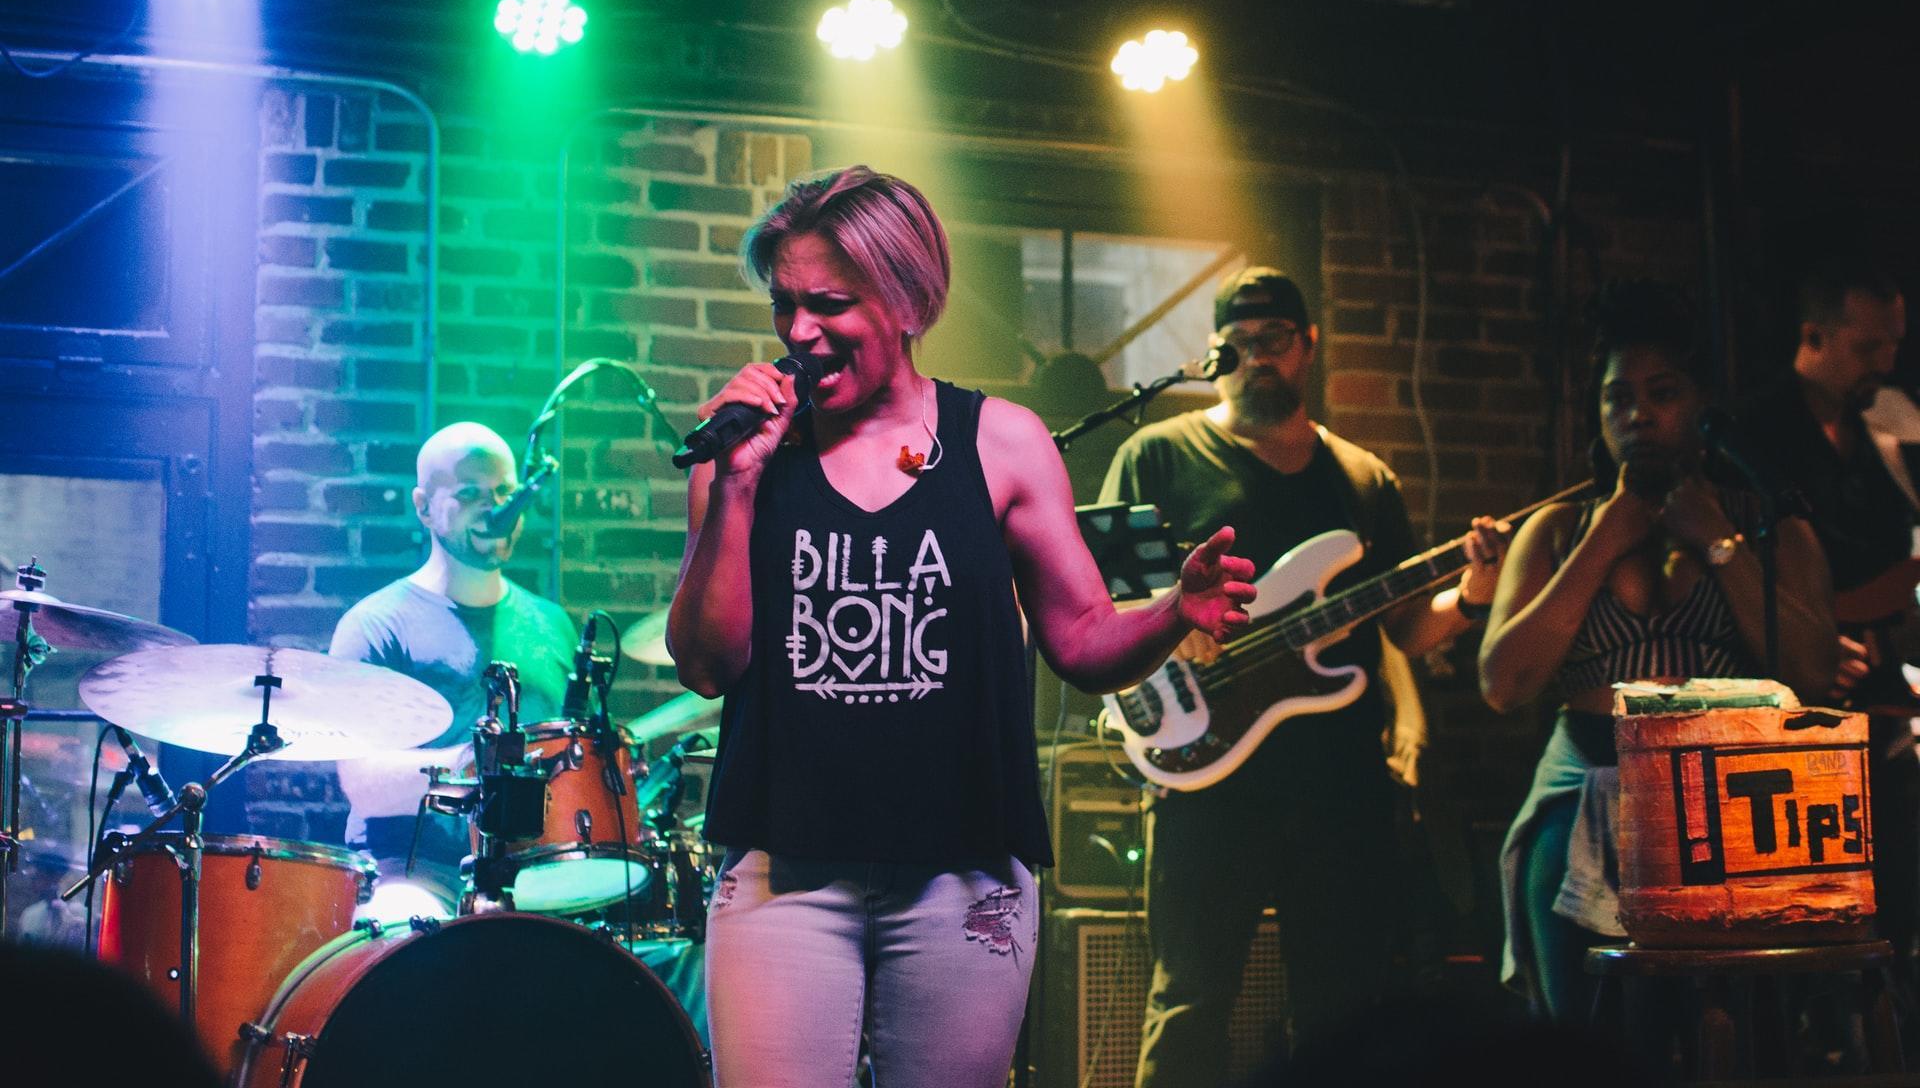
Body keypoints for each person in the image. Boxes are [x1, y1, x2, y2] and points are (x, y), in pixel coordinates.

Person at [667, 166, 1258, 1088]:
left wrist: (1172, 613)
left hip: (964, 877)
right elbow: (707, 664)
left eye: (830, 304)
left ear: (908, 301)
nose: (799, 332)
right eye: (785, 304)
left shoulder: (1003, 442)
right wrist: (738, 485)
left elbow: (1082, 641)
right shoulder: (743, 452)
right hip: (785, 870)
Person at [1100, 267, 1509, 1088]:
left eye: (1276, 340)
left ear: (1309, 345)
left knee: (1341, 1011)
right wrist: (1169, 626)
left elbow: (1406, 628)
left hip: (1339, 787)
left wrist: (1472, 596)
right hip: (1207, 778)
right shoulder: (1158, 455)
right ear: (1218, 353)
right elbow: (1096, 599)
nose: (1259, 358)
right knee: (1190, 1002)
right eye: (1240, 344)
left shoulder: (1363, 478)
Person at [1481, 281, 1837, 1021]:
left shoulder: (1769, 526)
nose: (1637, 414)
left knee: (1724, 1027)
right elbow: (1504, 683)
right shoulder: (1557, 531)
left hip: (1724, 797)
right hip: (1584, 782)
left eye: (1663, 393)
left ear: (1703, 406)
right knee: (1582, 1035)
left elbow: (1813, 673)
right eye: (1617, 398)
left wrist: (1718, 542)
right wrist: (1604, 538)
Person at [1736, 259, 1917, 978]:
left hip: (1880, 698)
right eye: (1868, 347)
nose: (1887, 363)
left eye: (1894, 344)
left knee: (1893, 898)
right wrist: (1817, 634)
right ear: (1813, 337)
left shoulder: (1883, 427)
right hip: (1794, 705)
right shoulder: (1757, 430)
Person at [329, 421, 578, 900]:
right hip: (416, 873)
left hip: (538, 874)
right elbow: (362, 784)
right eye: (469, 494)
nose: (496, 508)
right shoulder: (375, 626)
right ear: (423, 506)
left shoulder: (553, 624)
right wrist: (475, 764)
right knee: (404, 924)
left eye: (504, 492)